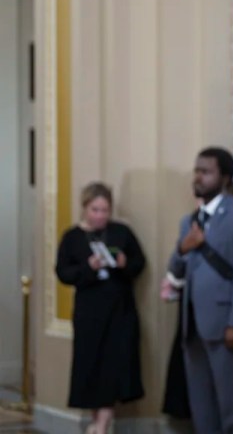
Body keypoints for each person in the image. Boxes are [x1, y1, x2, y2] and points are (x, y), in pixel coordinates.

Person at [162, 147, 233, 434]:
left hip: (225, 326)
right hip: (193, 326)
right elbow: (175, 270)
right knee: (202, 406)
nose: (198, 177)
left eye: (206, 171)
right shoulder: (189, 221)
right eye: (196, 170)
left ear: (225, 177)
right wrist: (184, 247)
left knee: (232, 405)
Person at [55, 182, 145, 434]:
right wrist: (88, 268)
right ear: (84, 208)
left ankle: (101, 426)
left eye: (105, 210)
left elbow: (139, 264)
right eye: (95, 210)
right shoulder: (72, 237)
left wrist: (125, 264)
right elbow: (63, 272)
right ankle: (99, 424)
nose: (100, 216)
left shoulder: (122, 233)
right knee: (92, 367)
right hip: (89, 314)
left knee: (113, 367)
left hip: (120, 311)